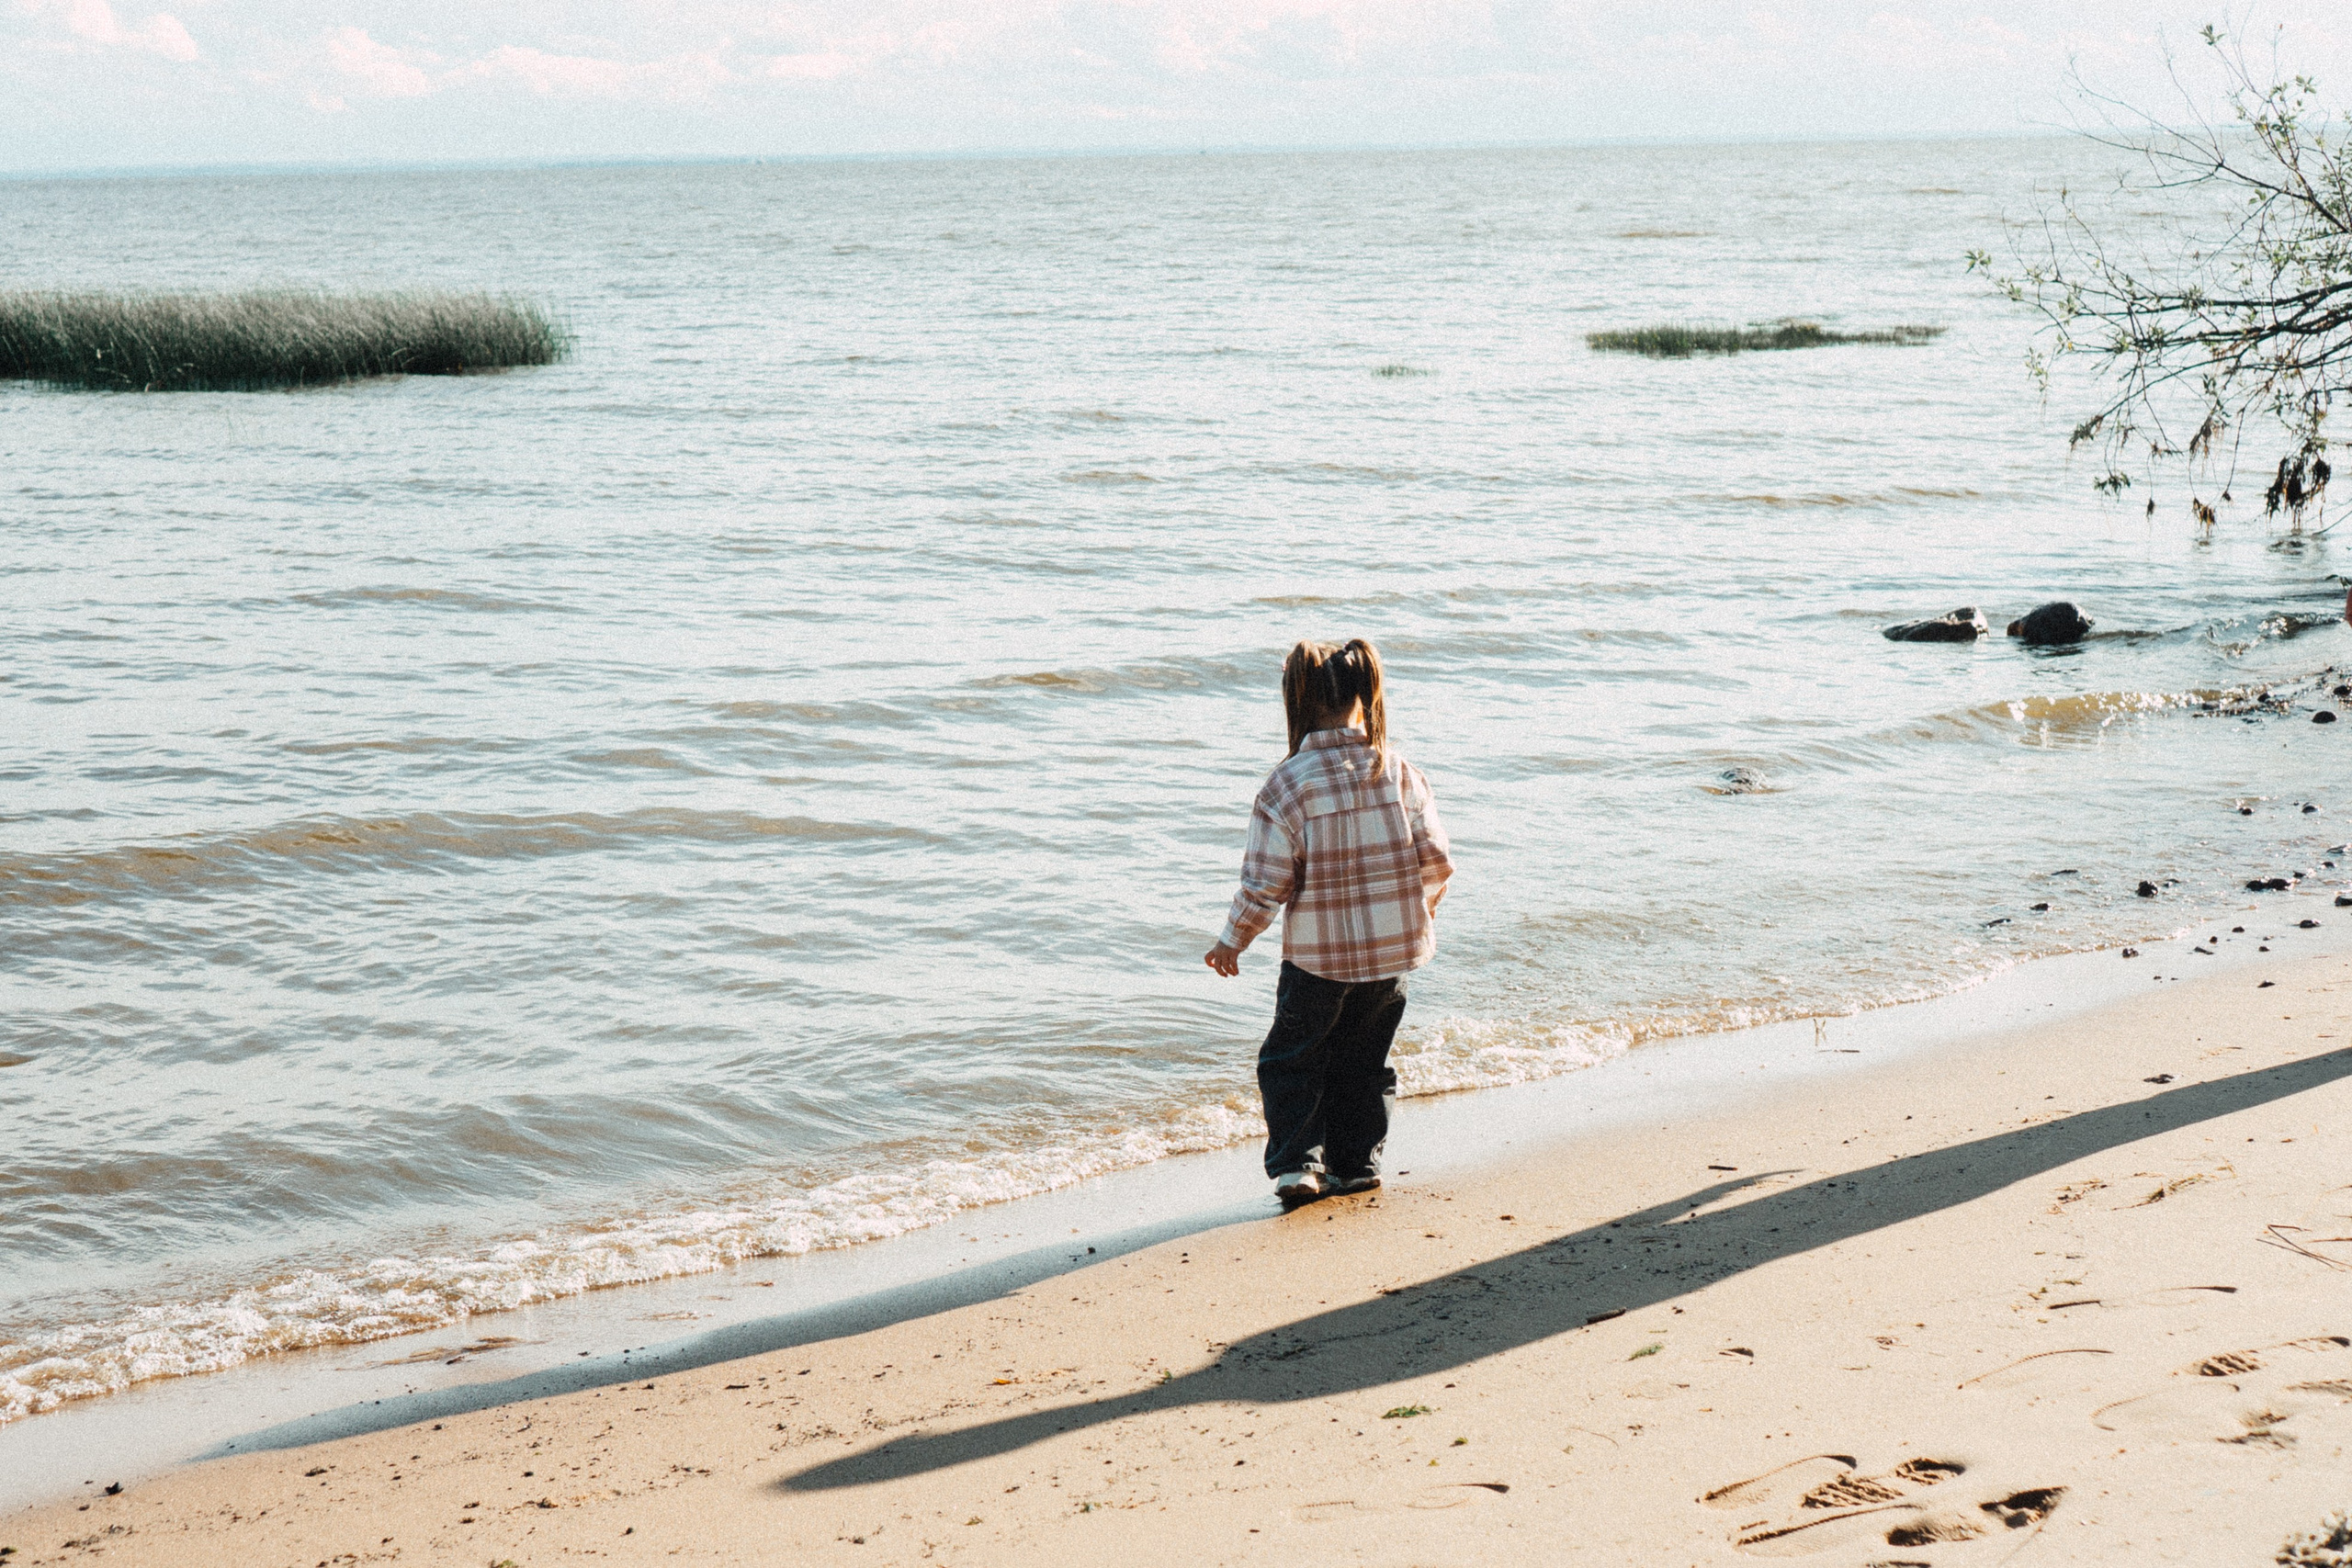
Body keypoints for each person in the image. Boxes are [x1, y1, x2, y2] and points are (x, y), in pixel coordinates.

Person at [1204, 638, 1454, 1209]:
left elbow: (1267, 882)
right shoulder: (1398, 772)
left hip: (1318, 960)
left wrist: (1232, 940)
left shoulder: (1288, 783)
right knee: (1365, 1060)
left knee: (1292, 1060)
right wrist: (1418, 912)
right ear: (1365, 696)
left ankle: (1299, 1167)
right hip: (1391, 955)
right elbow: (1437, 860)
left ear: (1297, 700)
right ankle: (1357, 1164)